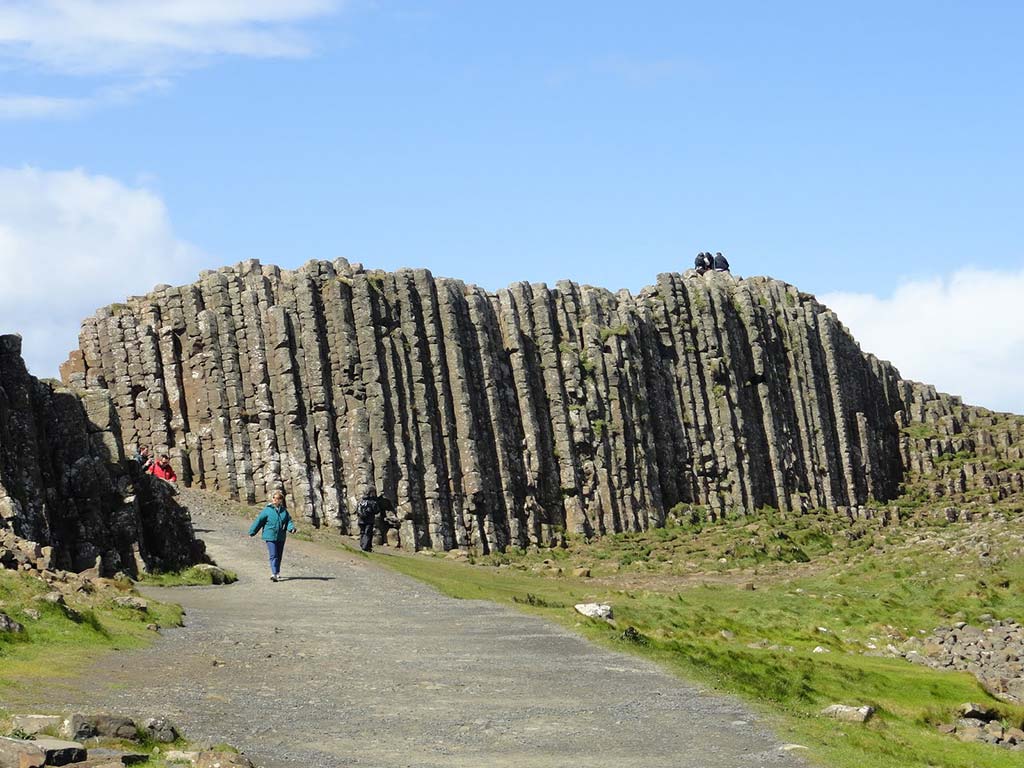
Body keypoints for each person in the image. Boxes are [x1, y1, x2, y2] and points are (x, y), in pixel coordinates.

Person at [249, 490, 297, 582]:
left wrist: (291, 529)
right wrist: (252, 531)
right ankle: (274, 574)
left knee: (279, 555)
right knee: (273, 555)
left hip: (281, 536)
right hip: (270, 536)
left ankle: (277, 572)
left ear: (281, 500)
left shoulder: (284, 511)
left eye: (278, 498)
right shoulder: (267, 510)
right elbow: (259, 521)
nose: (275, 500)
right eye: (274, 498)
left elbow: (288, 522)